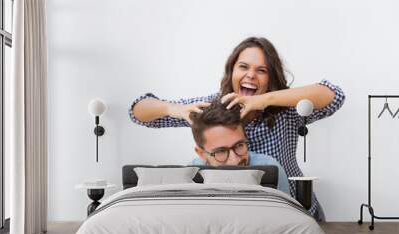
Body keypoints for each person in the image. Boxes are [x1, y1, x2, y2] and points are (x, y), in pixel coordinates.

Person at [129, 37, 345, 220]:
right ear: (231, 71)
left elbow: (333, 96)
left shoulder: (285, 110)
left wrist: (263, 100)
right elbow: (138, 111)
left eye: (261, 70)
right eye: (243, 67)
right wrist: (174, 109)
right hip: (233, 215)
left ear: (270, 79)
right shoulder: (210, 108)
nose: (251, 75)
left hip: (294, 210)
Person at [189, 99, 289, 195]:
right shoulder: (189, 174)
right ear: (201, 153)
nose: (235, 161)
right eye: (221, 151)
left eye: (239, 145)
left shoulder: (271, 169)